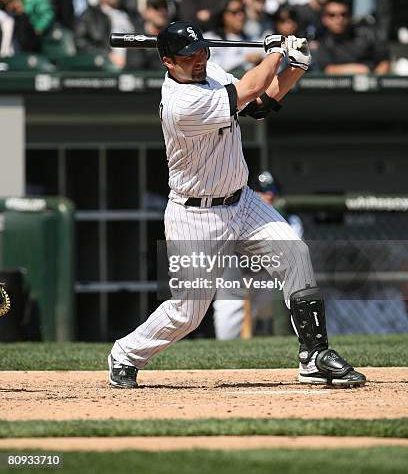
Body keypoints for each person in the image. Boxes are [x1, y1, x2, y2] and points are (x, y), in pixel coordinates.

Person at [108, 21, 366, 389]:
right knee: (188, 312)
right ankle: (126, 353)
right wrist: (275, 51)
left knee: (294, 253)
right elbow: (250, 86)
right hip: (195, 214)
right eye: (186, 57)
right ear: (167, 62)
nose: (197, 60)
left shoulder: (210, 71)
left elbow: (259, 104)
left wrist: (295, 67)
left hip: (242, 201)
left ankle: (314, 356)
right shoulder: (182, 104)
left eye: (200, 51)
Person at [213, 171, 304, 340]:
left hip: (267, 279)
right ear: (251, 193)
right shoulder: (234, 214)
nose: (269, 194)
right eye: (263, 190)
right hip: (234, 280)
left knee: (274, 330)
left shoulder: (290, 220)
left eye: (274, 190)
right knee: (226, 335)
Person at [75, 0, 139, 69]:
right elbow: (81, 43)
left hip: (135, 68)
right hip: (102, 71)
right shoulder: (89, 15)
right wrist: (106, 56)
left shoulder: (132, 15)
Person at [312, 0, 390, 74]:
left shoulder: (367, 34)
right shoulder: (321, 40)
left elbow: (384, 62)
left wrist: (374, 79)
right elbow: (329, 70)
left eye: (343, 14)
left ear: (349, 16)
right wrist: (363, 70)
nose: (339, 19)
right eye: (332, 15)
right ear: (324, 19)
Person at [208, 0, 264, 72]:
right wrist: (245, 59)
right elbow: (214, 66)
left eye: (242, 11)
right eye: (234, 12)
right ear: (223, 15)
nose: (240, 16)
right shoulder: (211, 39)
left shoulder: (250, 39)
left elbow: (264, 51)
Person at [126, 0, 170, 71]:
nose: (162, 11)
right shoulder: (136, 38)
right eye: (156, 7)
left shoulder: (174, 36)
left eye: (165, 7)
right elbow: (135, 69)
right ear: (146, 12)